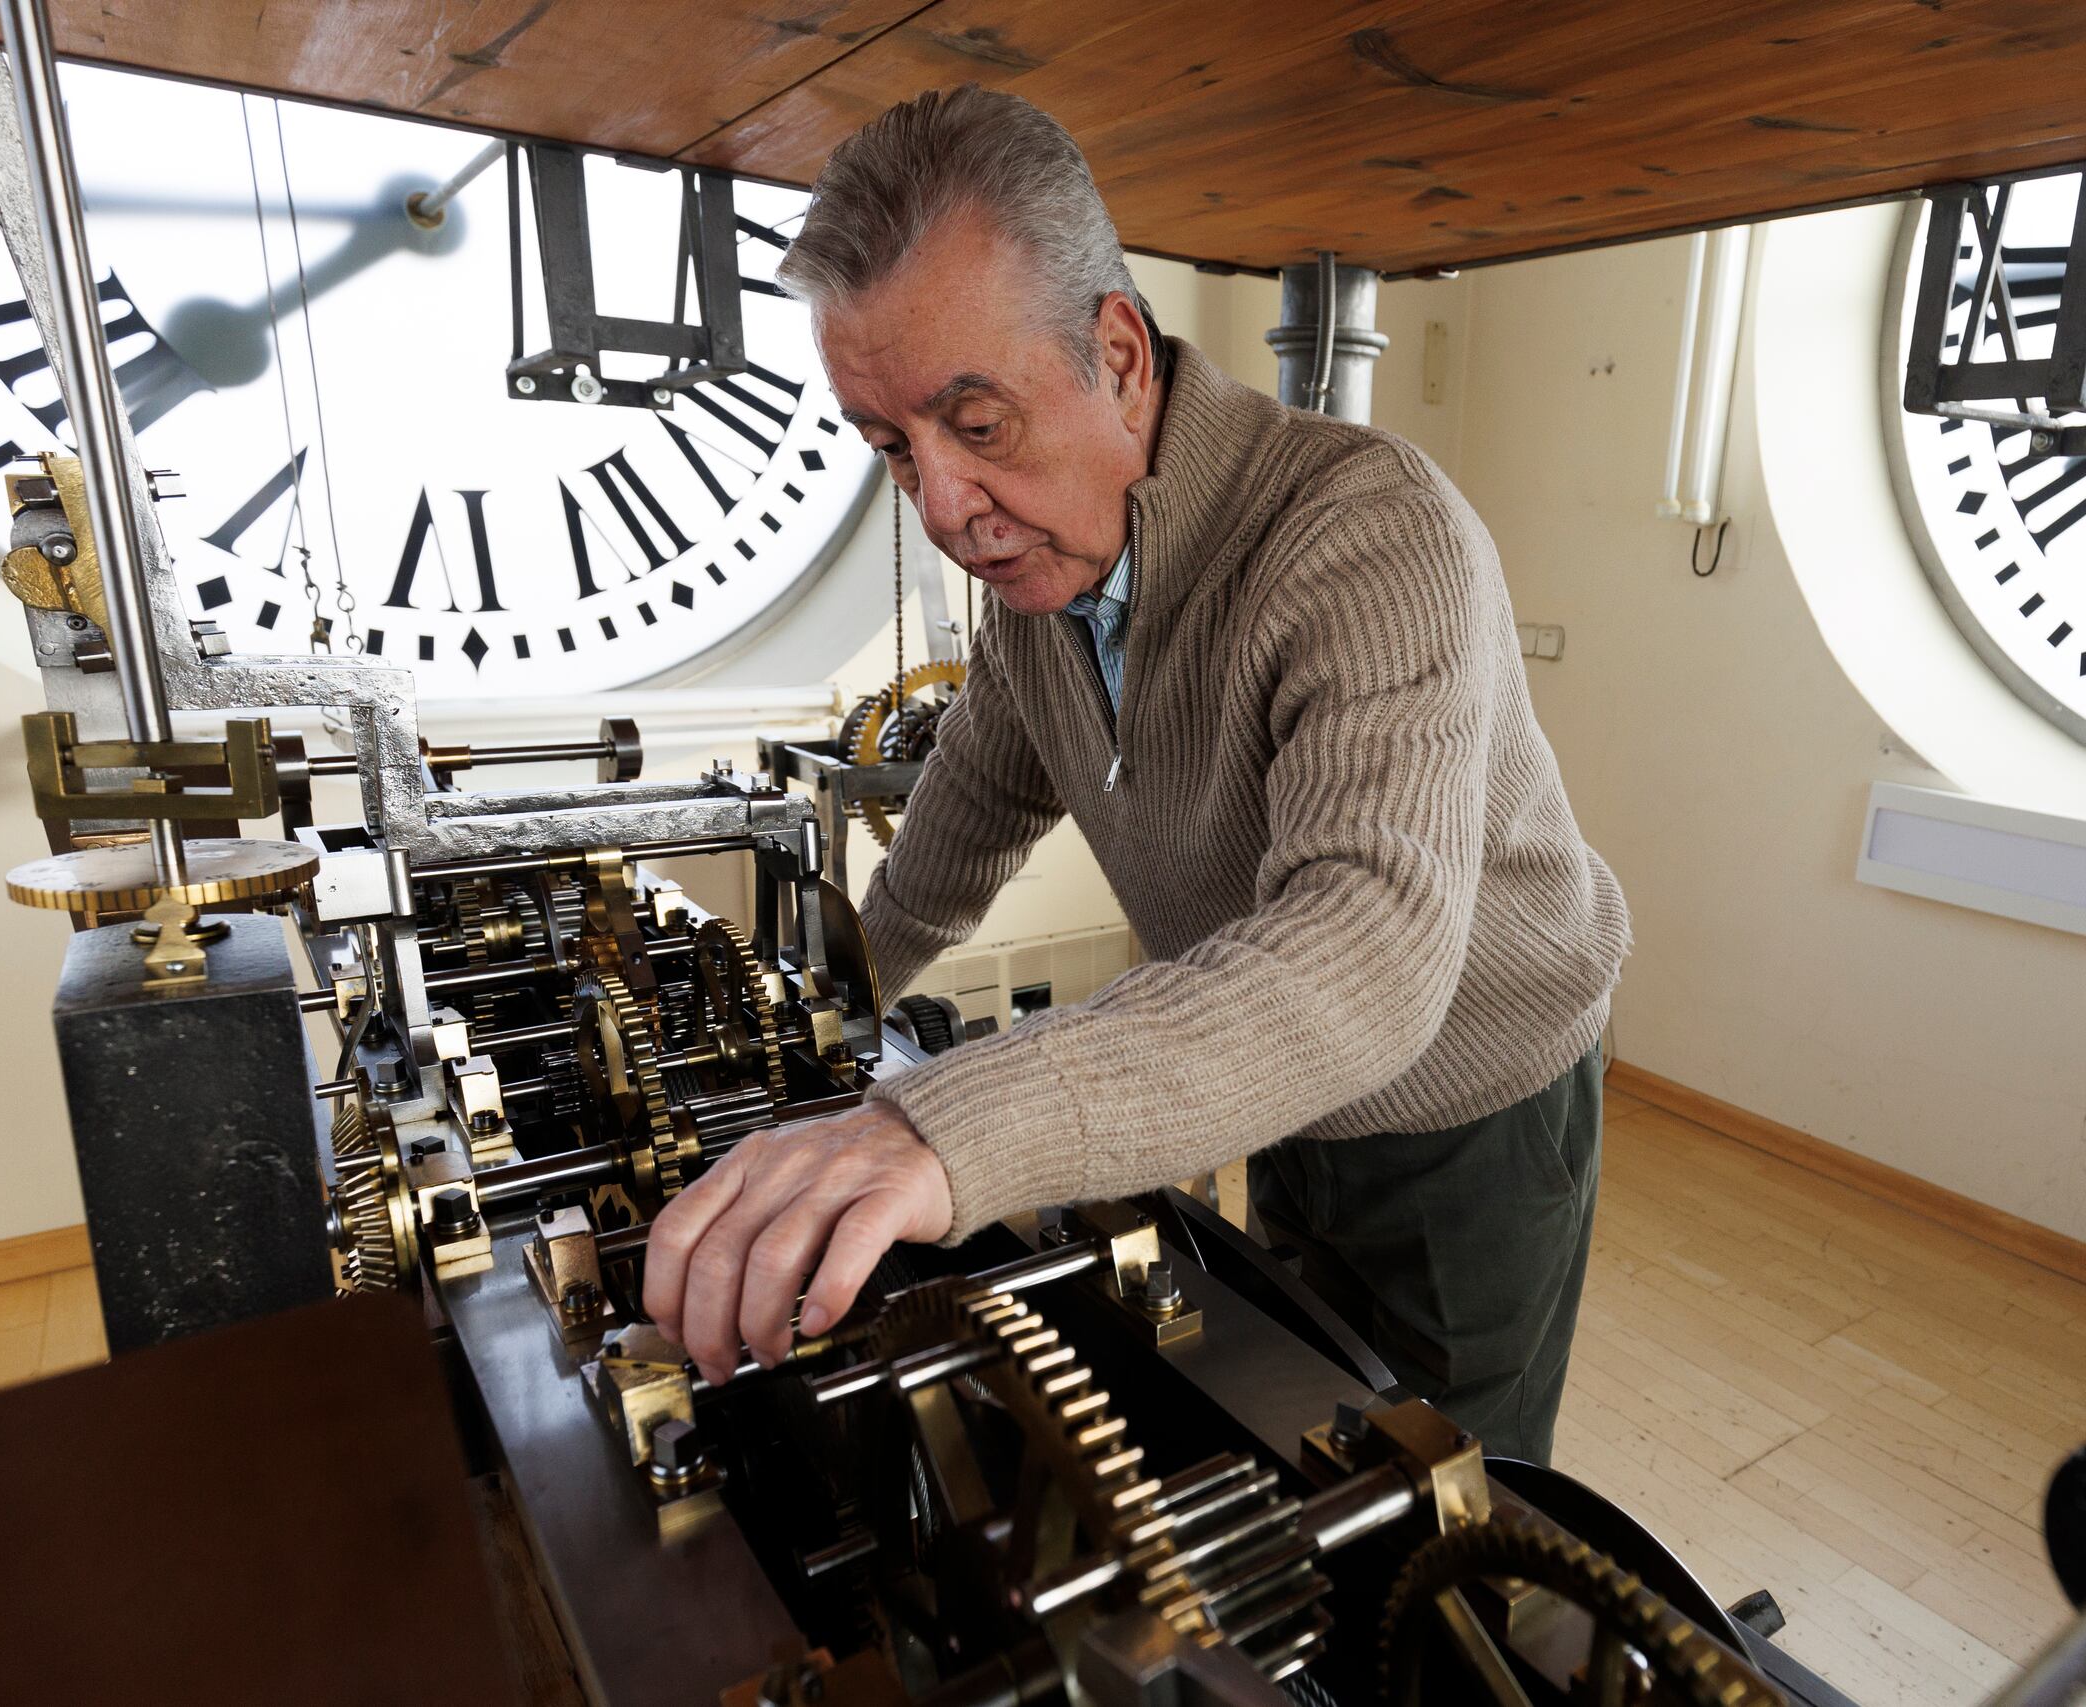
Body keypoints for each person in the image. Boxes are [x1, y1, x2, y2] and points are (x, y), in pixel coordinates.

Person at [642, 84, 1628, 1463]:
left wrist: (938, 1131)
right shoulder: (1042, 576)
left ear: (1115, 353)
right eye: (891, 450)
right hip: (1288, 1079)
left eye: (974, 424)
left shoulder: (1369, 532)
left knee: (1446, 1512)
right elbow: (970, 809)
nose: (941, 511)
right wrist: (820, 1015)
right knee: (1305, 1431)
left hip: (1469, 1112)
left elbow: (1368, 953)